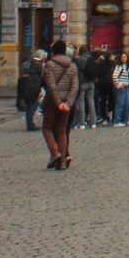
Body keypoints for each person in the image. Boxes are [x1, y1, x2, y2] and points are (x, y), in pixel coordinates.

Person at [40, 38, 79, 171]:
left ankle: (54, 152)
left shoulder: (50, 65)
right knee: (61, 131)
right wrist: (67, 103)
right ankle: (62, 162)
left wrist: (58, 103)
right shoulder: (73, 66)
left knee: (47, 127)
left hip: (53, 102)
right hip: (66, 102)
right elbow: (75, 87)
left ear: (53, 51)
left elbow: (50, 86)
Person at [16, 49, 44, 131]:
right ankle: (30, 125)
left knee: (30, 107)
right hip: (32, 89)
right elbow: (40, 77)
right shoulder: (37, 67)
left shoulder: (26, 65)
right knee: (31, 107)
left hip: (26, 89)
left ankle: (30, 124)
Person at [110, 51, 129, 126]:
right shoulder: (119, 66)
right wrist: (119, 84)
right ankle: (117, 121)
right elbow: (114, 76)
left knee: (128, 103)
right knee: (120, 104)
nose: (124, 58)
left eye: (125, 57)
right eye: (122, 57)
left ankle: (125, 120)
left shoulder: (126, 66)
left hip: (126, 87)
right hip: (121, 88)